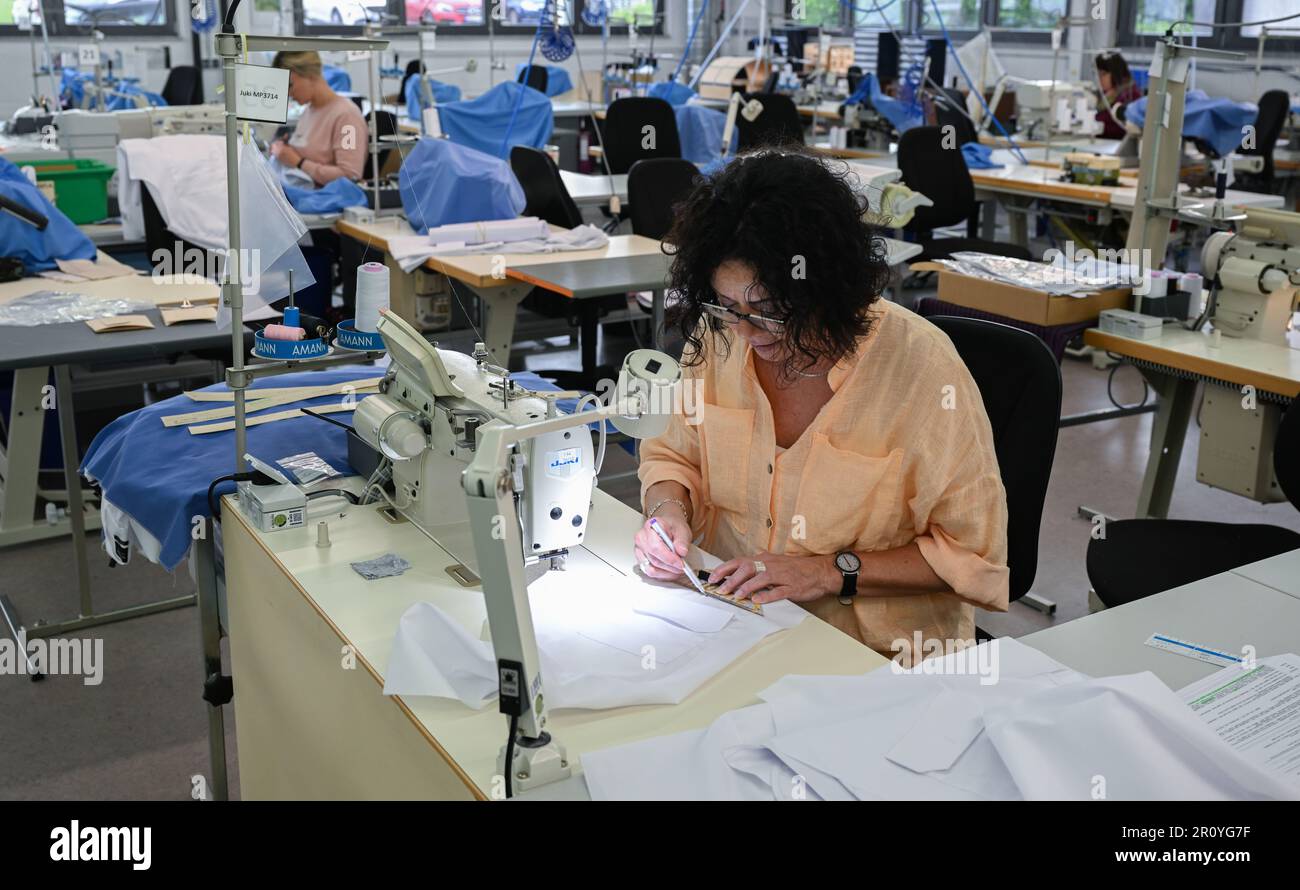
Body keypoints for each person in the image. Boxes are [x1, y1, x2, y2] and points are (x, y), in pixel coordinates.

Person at [633, 150, 1009, 664]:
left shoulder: (923, 372)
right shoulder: (721, 333)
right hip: (735, 628)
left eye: (769, 312)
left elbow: (972, 558)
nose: (745, 331)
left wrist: (827, 570)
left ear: (830, 289)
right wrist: (667, 513)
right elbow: (673, 457)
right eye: (728, 306)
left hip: (873, 658)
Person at [270, 51, 369, 186]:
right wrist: (284, 151)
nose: (288, 93)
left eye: (290, 85)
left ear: (310, 76)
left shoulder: (347, 117)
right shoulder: (308, 112)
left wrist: (299, 162)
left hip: (325, 202)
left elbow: (350, 175)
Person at [1094, 51, 1143, 140]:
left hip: (1116, 145)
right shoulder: (1106, 94)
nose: (1099, 78)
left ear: (1116, 72)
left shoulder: (1130, 96)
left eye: (1103, 74)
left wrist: (1095, 126)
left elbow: (1122, 128)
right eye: (1098, 74)